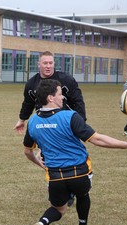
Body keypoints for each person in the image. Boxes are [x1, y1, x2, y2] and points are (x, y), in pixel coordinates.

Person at [22, 79, 127, 225]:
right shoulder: (70, 116)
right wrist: (126, 145)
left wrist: (39, 163)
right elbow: (96, 139)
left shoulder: (32, 122)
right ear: (50, 98)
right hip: (79, 173)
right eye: (60, 94)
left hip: (54, 176)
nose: (63, 98)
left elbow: (27, 151)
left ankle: (42, 223)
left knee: (59, 209)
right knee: (83, 195)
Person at [14, 51, 86, 207]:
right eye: (45, 63)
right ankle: (57, 188)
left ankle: (70, 189)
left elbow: (78, 101)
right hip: (47, 128)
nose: (48, 66)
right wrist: (21, 120)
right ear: (38, 64)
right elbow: (28, 104)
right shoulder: (32, 84)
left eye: (51, 63)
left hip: (67, 126)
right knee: (49, 158)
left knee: (71, 156)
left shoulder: (66, 80)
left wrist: (81, 124)